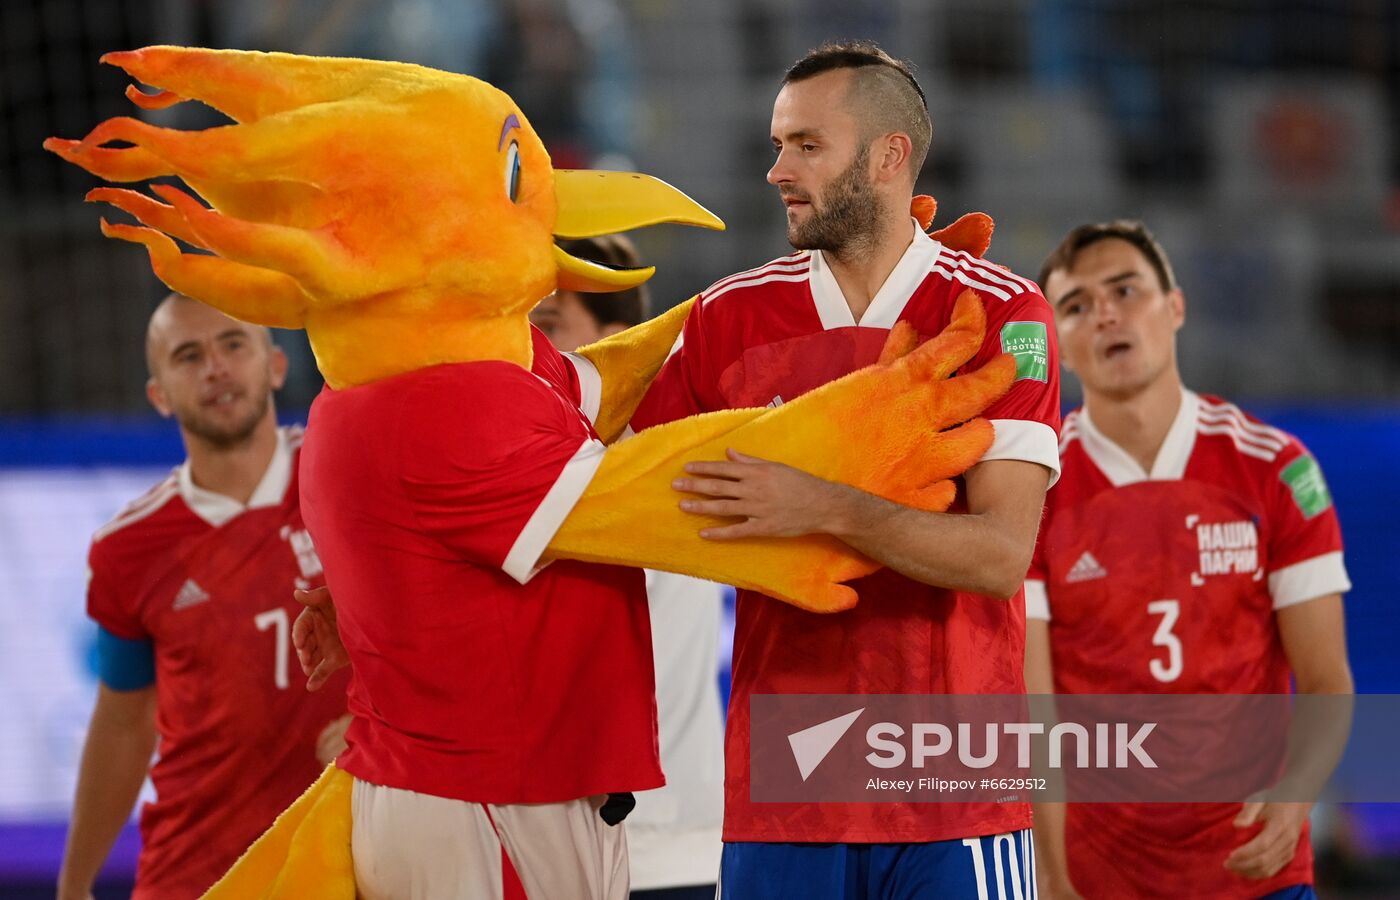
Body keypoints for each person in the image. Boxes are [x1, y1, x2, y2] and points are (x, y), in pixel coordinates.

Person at [629, 41, 1062, 899]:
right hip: (785, 782)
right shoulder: (727, 319)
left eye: (806, 146)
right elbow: (624, 504)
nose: (776, 170)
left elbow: (999, 555)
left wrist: (818, 504)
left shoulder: (1001, 312)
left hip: (956, 789)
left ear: (889, 155)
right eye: (777, 144)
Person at [1024, 221, 1354, 900]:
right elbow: (1035, 711)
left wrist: (1295, 799)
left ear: (1175, 307)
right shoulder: (1034, 485)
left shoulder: (1275, 468)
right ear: (1058, 342)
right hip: (1099, 880)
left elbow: (1327, 680)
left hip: (1256, 874)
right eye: (1078, 305)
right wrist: (1051, 878)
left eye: (1125, 289)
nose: (1107, 314)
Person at [57, 294, 350, 900]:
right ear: (159, 395)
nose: (215, 367)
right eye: (188, 356)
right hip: (200, 866)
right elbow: (123, 720)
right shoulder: (127, 548)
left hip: (355, 846)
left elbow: (447, 629)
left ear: (275, 365)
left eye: (232, 344)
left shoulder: (351, 473)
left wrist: (384, 730)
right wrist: (75, 882)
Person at [532, 234, 726, 900]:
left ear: (619, 341)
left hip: (676, 851)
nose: (528, 348)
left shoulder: (681, 456)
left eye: (549, 326)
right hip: (540, 844)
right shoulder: (509, 469)